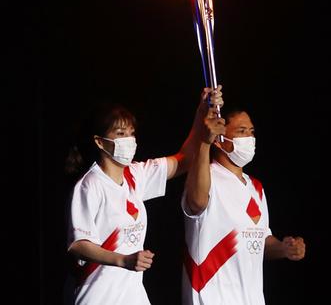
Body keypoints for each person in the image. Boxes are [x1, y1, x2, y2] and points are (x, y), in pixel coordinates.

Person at [65, 86, 225, 305]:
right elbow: (78, 245)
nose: (129, 140)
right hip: (98, 297)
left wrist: (201, 113)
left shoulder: (135, 175)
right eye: (120, 134)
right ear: (100, 141)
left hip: (133, 296)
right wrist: (123, 259)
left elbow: (185, 159)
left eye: (131, 133)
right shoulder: (90, 185)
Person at [181, 107, 306, 305]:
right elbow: (196, 202)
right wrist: (204, 142)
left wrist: (284, 248)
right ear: (219, 139)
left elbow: (261, 240)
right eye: (241, 131)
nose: (249, 137)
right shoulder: (205, 177)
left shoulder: (256, 188)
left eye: (251, 131)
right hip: (211, 298)